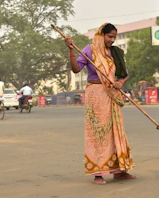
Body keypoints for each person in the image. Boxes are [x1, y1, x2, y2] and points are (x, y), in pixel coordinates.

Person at [65, 23, 135, 185]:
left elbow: (125, 73)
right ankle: (98, 173)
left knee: (115, 132)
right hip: (96, 95)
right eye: (110, 36)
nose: (112, 40)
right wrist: (71, 51)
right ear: (101, 34)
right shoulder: (89, 50)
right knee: (98, 133)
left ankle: (119, 171)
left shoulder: (115, 52)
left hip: (112, 95)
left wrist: (120, 82)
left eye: (114, 37)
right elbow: (76, 70)